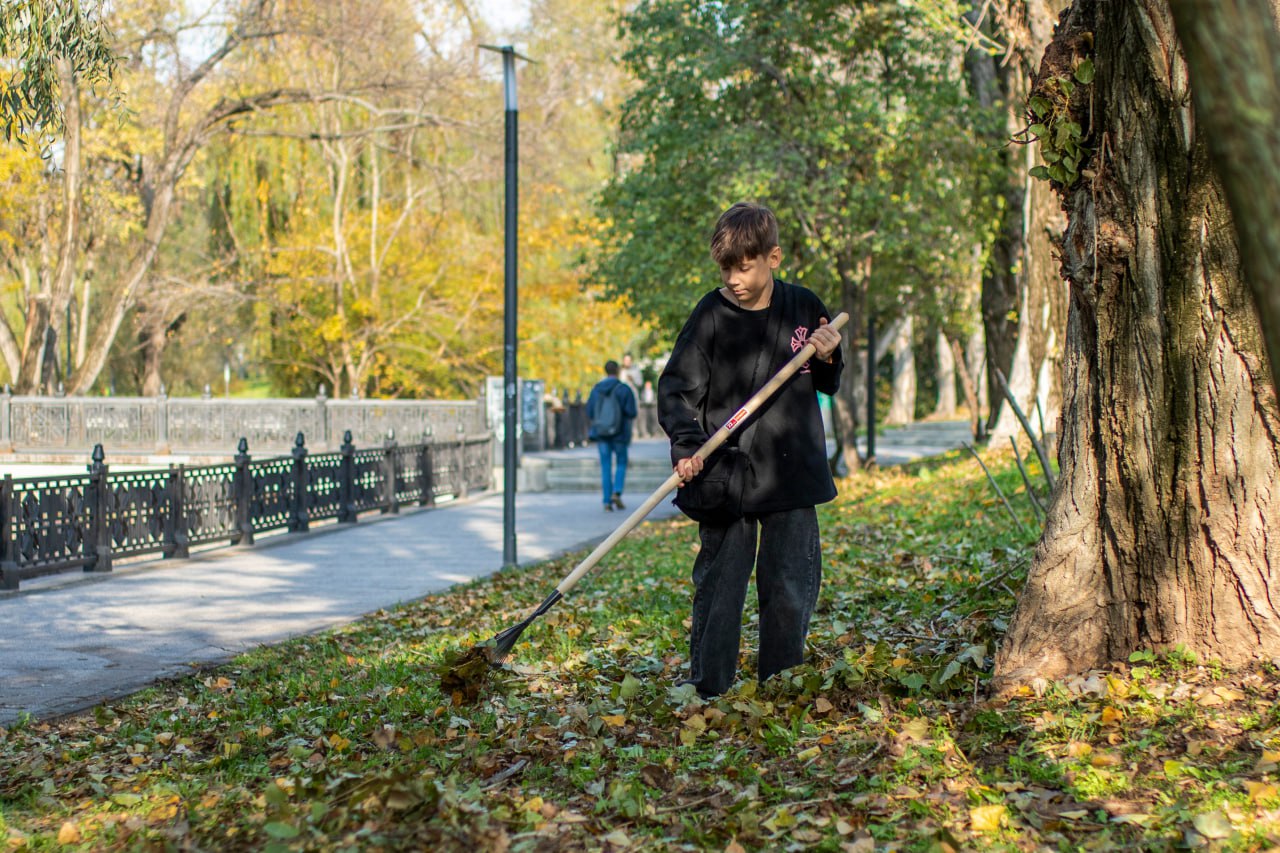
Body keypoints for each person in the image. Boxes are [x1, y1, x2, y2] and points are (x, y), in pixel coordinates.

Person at [658, 201, 843, 698]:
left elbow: (829, 380)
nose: (735, 278)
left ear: (773, 257)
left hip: (791, 473)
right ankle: (710, 688)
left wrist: (828, 354)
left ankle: (779, 689)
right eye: (726, 268)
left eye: (745, 266)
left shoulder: (805, 306)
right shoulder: (710, 314)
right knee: (719, 590)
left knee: (788, 590)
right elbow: (677, 390)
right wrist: (688, 445)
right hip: (726, 476)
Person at [587, 360, 639, 511]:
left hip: (601, 434)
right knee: (622, 462)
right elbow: (632, 412)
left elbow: (590, 411)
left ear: (605, 371)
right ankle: (617, 491)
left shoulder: (596, 389)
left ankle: (606, 502)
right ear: (617, 371)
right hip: (620, 434)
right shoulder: (623, 389)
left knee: (605, 466)